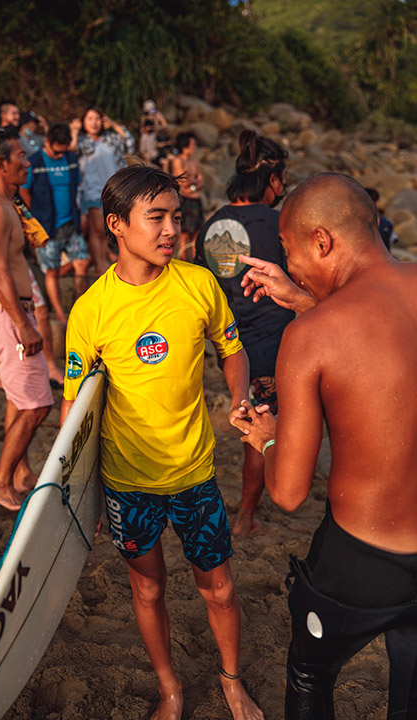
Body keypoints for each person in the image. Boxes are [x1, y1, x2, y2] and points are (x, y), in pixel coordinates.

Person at [61, 166, 264, 720]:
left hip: (194, 473)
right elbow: (74, 413)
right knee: (148, 590)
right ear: (117, 225)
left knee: (219, 589)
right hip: (128, 483)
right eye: (156, 218)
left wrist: (240, 396)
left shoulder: (198, 284)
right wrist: (79, 493)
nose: (172, 229)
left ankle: (231, 680)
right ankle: (170, 688)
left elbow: (232, 348)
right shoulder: (91, 310)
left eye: (176, 216)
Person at [231, 173, 417, 720]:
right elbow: (383, 337)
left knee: (310, 674)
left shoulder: (310, 337)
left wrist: (266, 438)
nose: (290, 268)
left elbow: (289, 493)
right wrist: (306, 301)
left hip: (362, 559)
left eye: (289, 251)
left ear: (322, 241)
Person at [195, 132, 294, 536]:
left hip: (233, 348)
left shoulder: (211, 226)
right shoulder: (281, 225)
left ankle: (246, 514)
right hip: (278, 344)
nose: (283, 188)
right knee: (265, 425)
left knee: (251, 418)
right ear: (272, 180)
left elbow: (205, 290)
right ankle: (245, 518)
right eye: (282, 180)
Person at [0, 124, 53, 511]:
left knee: (19, 403)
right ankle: (0, 483)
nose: (27, 162)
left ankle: (19, 475)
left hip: (9, 314)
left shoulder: (5, 205)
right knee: (37, 405)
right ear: (1, 163)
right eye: (20, 156)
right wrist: (22, 325)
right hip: (7, 318)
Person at [21, 122, 89, 323]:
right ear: (47, 142)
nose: (60, 156)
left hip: (71, 223)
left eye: (63, 152)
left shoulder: (71, 159)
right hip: (47, 227)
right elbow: (24, 190)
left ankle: (80, 308)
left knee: (82, 263)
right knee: (51, 271)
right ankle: (60, 313)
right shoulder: (34, 163)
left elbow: (78, 187)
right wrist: (34, 215)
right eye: (57, 152)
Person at [72, 107, 119, 275]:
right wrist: (74, 132)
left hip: (111, 190)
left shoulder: (109, 139)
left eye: (97, 118)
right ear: (83, 122)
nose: (94, 122)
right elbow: (71, 151)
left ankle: (101, 263)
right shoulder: (81, 141)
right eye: (90, 119)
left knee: (104, 231)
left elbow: (128, 142)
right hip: (91, 190)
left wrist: (114, 125)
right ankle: (100, 266)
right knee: (97, 229)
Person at [171, 132, 204, 260]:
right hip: (185, 201)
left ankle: (196, 261)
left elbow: (202, 182)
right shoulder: (177, 161)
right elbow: (182, 182)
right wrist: (194, 182)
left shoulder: (194, 163)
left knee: (197, 233)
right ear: (185, 147)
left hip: (196, 200)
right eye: (192, 144)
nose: (194, 147)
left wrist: (193, 186)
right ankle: (184, 260)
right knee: (185, 234)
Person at [364, 187, 398, 251]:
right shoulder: (387, 223)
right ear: (377, 203)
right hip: (385, 255)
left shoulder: (358, 224)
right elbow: (394, 239)